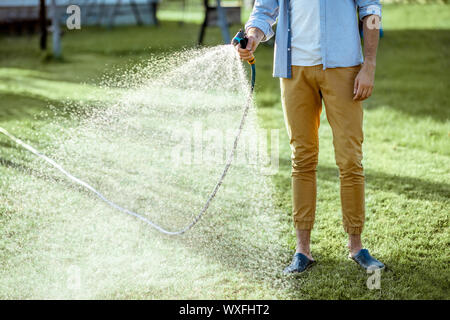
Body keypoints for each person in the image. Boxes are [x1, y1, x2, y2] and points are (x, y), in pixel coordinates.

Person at [234, 0, 385, 273]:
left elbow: (371, 11)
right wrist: (253, 35)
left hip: (344, 67)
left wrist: (369, 65)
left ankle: (356, 247)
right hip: (293, 70)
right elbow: (264, 9)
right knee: (301, 159)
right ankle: (302, 251)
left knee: (350, 159)